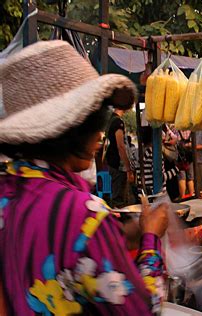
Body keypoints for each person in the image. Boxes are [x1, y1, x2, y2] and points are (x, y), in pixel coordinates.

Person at [0, 41, 169, 315]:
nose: (100, 136)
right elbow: (143, 309)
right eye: (95, 122)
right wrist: (151, 239)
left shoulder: (6, 192)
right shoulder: (84, 215)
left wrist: (117, 235)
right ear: (74, 128)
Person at [105, 98, 135, 208]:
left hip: (111, 162)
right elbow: (121, 146)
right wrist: (128, 168)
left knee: (117, 196)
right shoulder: (118, 122)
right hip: (118, 164)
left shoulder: (111, 119)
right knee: (120, 200)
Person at [176, 130, 195, 198]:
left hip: (180, 159)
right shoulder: (192, 130)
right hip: (190, 158)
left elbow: (174, 141)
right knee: (190, 178)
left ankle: (182, 197)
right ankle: (191, 196)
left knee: (181, 178)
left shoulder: (176, 130)